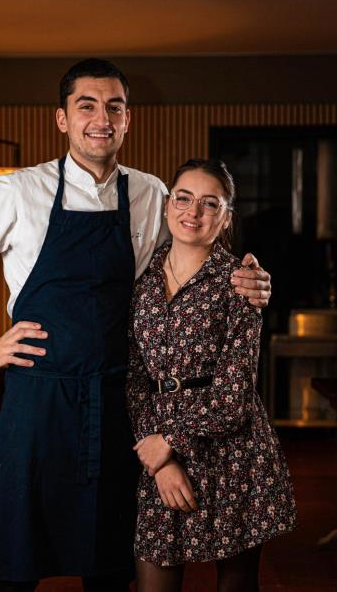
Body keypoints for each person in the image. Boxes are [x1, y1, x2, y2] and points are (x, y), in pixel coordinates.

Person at [0, 60, 271, 592]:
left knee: (109, 567)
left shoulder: (151, 194)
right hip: (38, 402)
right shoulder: (20, 191)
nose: (101, 118)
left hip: (117, 401)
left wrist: (251, 278)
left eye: (114, 106)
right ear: (62, 119)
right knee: (15, 563)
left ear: (128, 120)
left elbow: (190, 259)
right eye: (87, 105)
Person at [126, 158, 296, 592]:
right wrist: (158, 458)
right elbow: (135, 378)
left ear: (225, 219)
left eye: (209, 203)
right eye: (183, 199)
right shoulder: (139, 281)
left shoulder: (240, 283)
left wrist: (170, 442)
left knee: (235, 587)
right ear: (167, 206)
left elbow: (234, 397)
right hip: (160, 453)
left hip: (234, 456)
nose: (193, 212)